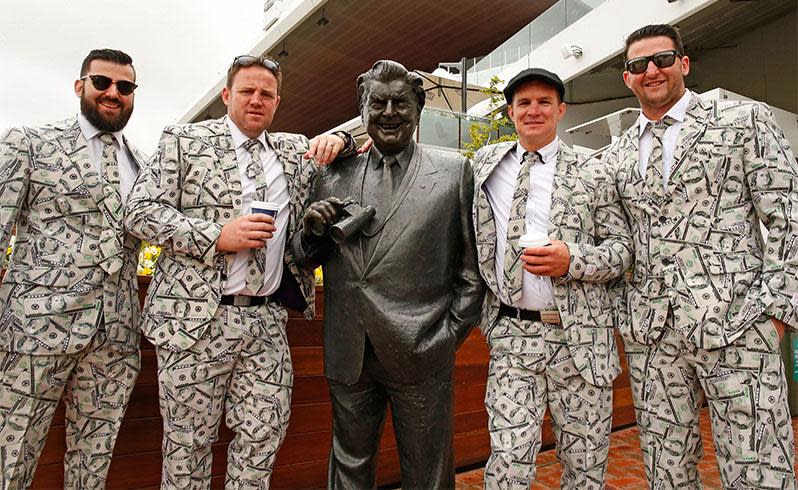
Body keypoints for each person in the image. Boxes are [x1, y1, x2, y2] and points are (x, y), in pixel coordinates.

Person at [123, 55, 354, 489]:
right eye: (247, 91)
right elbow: (138, 212)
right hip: (195, 325)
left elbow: (349, 155)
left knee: (263, 436)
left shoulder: (293, 152)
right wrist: (216, 235)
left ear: (277, 102)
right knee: (187, 447)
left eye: (266, 94)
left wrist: (341, 137)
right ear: (227, 94)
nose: (256, 100)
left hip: (266, 322)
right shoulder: (184, 140)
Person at [605, 23, 798, 488]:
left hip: (738, 324)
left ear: (684, 64)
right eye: (638, 65)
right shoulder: (616, 153)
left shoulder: (743, 120)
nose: (652, 71)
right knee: (666, 472)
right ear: (627, 78)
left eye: (663, 59)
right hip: (652, 339)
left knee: (758, 467)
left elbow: (788, 217)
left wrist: (775, 313)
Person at [294, 60, 484, 489]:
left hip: (422, 352)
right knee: (348, 467)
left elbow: (471, 274)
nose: (389, 113)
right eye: (377, 103)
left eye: (401, 103)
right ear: (363, 109)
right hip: (349, 352)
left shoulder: (453, 174)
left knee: (428, 472)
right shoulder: (331, 175)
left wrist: (443, 340)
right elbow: (304, 261)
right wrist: (310, 231)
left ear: (419, 108)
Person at [472, 68, 632, 489]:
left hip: (580, 344)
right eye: (523, 103)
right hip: (512, 336)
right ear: (511, 112)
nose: (534, 110)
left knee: (585, 466)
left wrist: (572, 260)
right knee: (508, 462)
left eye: (544, 102)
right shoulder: (485, 165)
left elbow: (622, 249)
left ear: (561, 110)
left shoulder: (594, 171)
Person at [0, 48, 145, 489]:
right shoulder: (29, 142)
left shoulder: (144, 162)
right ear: (80, 85)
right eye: (102, 82)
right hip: (34, 332)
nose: (113, 93)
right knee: (11, 458)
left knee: (92, 467)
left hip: (115, 338)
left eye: (125, 86)